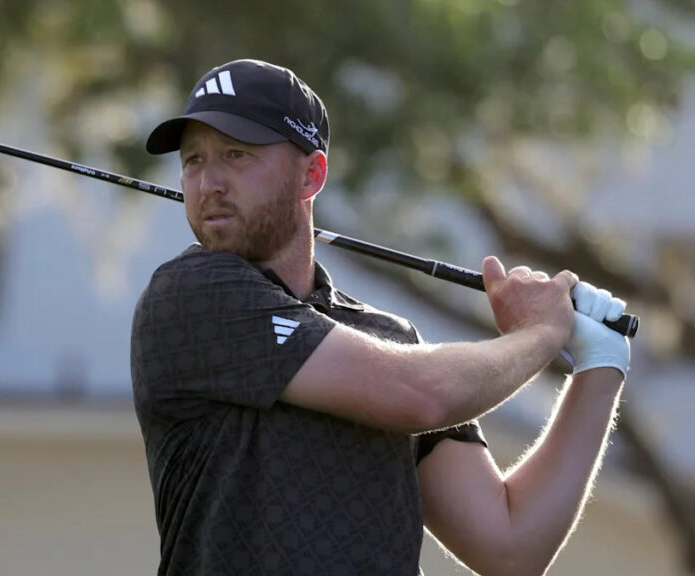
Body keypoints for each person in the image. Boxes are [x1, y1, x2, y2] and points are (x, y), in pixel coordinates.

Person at [130, 59, 631, 576]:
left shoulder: (387, 340)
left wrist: (599, 366)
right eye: (193, 160)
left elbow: (510, 547)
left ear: (312, 174)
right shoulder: (190, 295)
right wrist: (542, 332)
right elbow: (422, 393)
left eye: (237, 154)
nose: (209, 181)